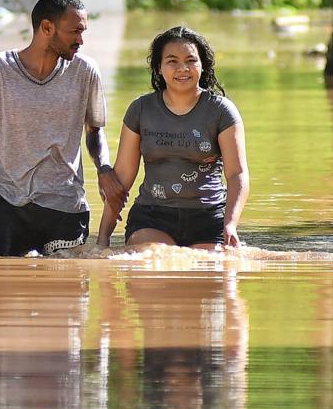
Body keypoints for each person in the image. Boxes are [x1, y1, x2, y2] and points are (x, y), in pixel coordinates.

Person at [0, 0, 125, 257]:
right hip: (7, 208)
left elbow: (94, 131)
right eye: (74, 32)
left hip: (66, 209)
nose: (80, 40)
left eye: (83, 32)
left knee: (68, 295)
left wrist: (104, 168)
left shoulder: (85, 72)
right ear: (47, 27)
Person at [97, 25, 248, 250]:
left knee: (210, 270)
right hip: (152, 218)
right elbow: (122, 178)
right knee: (154, 258)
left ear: (202, 65)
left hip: (209, 217)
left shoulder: (222, 111)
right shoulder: (140, 109)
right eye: (172, 61)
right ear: (159, 68)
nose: (182, 68)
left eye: (190, 60)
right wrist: (102, 239)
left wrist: (230, 225)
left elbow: (237, 174)